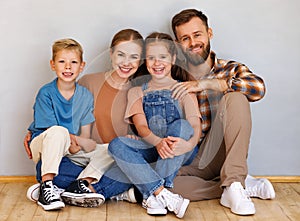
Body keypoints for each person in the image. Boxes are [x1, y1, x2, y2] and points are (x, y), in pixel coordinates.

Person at [168, 9, 275, 216]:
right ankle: (236, 186)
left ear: (209, 33)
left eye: (197, 34)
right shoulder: (172, 75)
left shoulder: (230, 69)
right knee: (164, 184)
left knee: (235, 96)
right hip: (193, 160)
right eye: (185, 38)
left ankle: (234, 180)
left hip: (224, 153)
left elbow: (259, 88)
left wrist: (211, 84)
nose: (193, 43)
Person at [24, 29, 145, 207]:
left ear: (140, 60)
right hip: (72, 157)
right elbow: (59, 107)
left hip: (100, 162)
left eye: (133, 57)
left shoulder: (137, 93)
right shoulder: (87, 82)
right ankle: (111, 192)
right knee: (53, 166)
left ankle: (74, 188)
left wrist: (131, 140)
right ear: (111, 54)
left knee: (133, 168)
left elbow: (141, 133)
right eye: (121, 55)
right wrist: (33, 130)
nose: (126, 62)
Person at [105, 32, 202, 219]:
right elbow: (141, 127)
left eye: (163, 57)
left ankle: (152, 192)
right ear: (145, 61)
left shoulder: (184, 89)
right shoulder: (136, 91)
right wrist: (157, 142)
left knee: (181, 126)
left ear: (173, 58)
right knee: (117, 145)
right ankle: (161, 195)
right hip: (151, 146)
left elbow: (194, 126)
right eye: (151, 58)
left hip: (181, 149)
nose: (157, 63)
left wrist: (188, 144)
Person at [27, 38, 105, 210]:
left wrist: (81, 142)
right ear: (53, 65)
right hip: (45, 143)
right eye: (62, 62)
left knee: (111, 149)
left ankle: (82, 183)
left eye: (73, 62)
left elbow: (85, 135)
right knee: (58, 131)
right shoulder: (46, 93)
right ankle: (46, 187)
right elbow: (51, 130)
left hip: (72, 146)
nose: (68, 67)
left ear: (82, 66)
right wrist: (76, 141)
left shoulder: (85, 96)